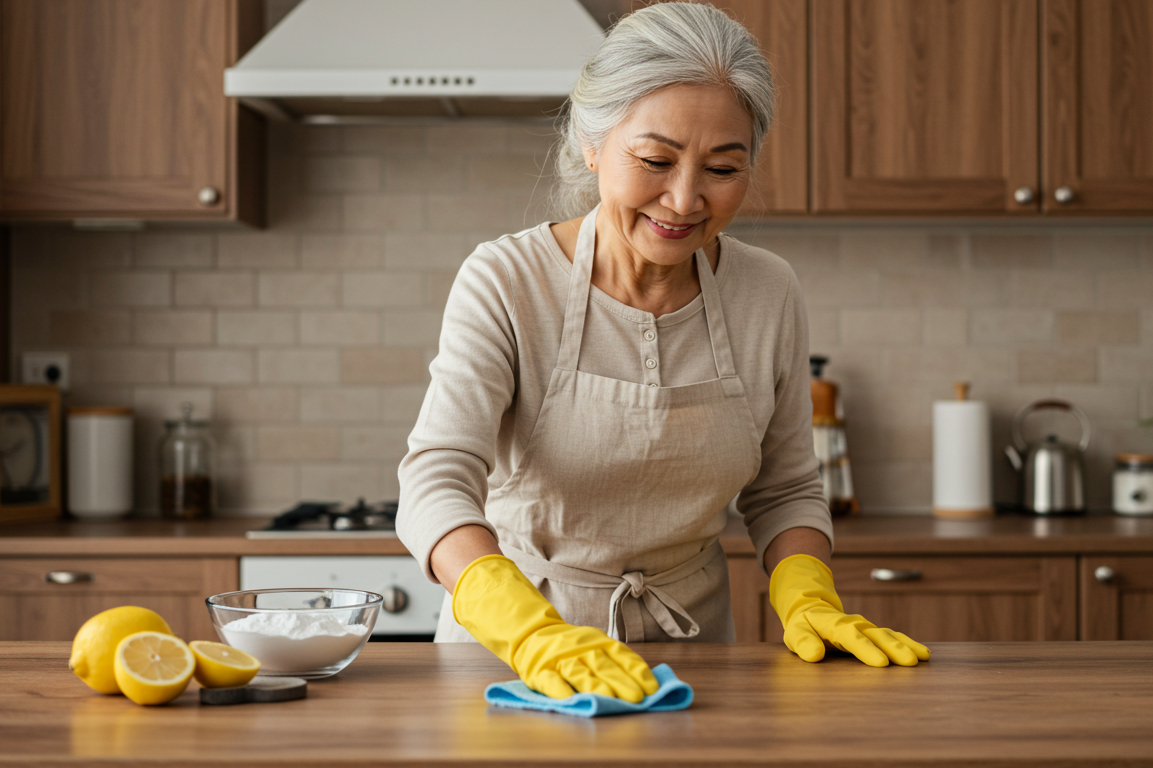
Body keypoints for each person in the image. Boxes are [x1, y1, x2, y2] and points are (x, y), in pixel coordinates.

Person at [397, 1, 928, 703]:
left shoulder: (767, 291)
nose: (684, 199)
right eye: (654, 160)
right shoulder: (508, 281)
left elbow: (787, 489)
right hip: (514, 667)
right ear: (592, 144)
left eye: (722, 168)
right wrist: (526, 631)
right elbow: (435, 479)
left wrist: (808, 596)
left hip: (696, 667)